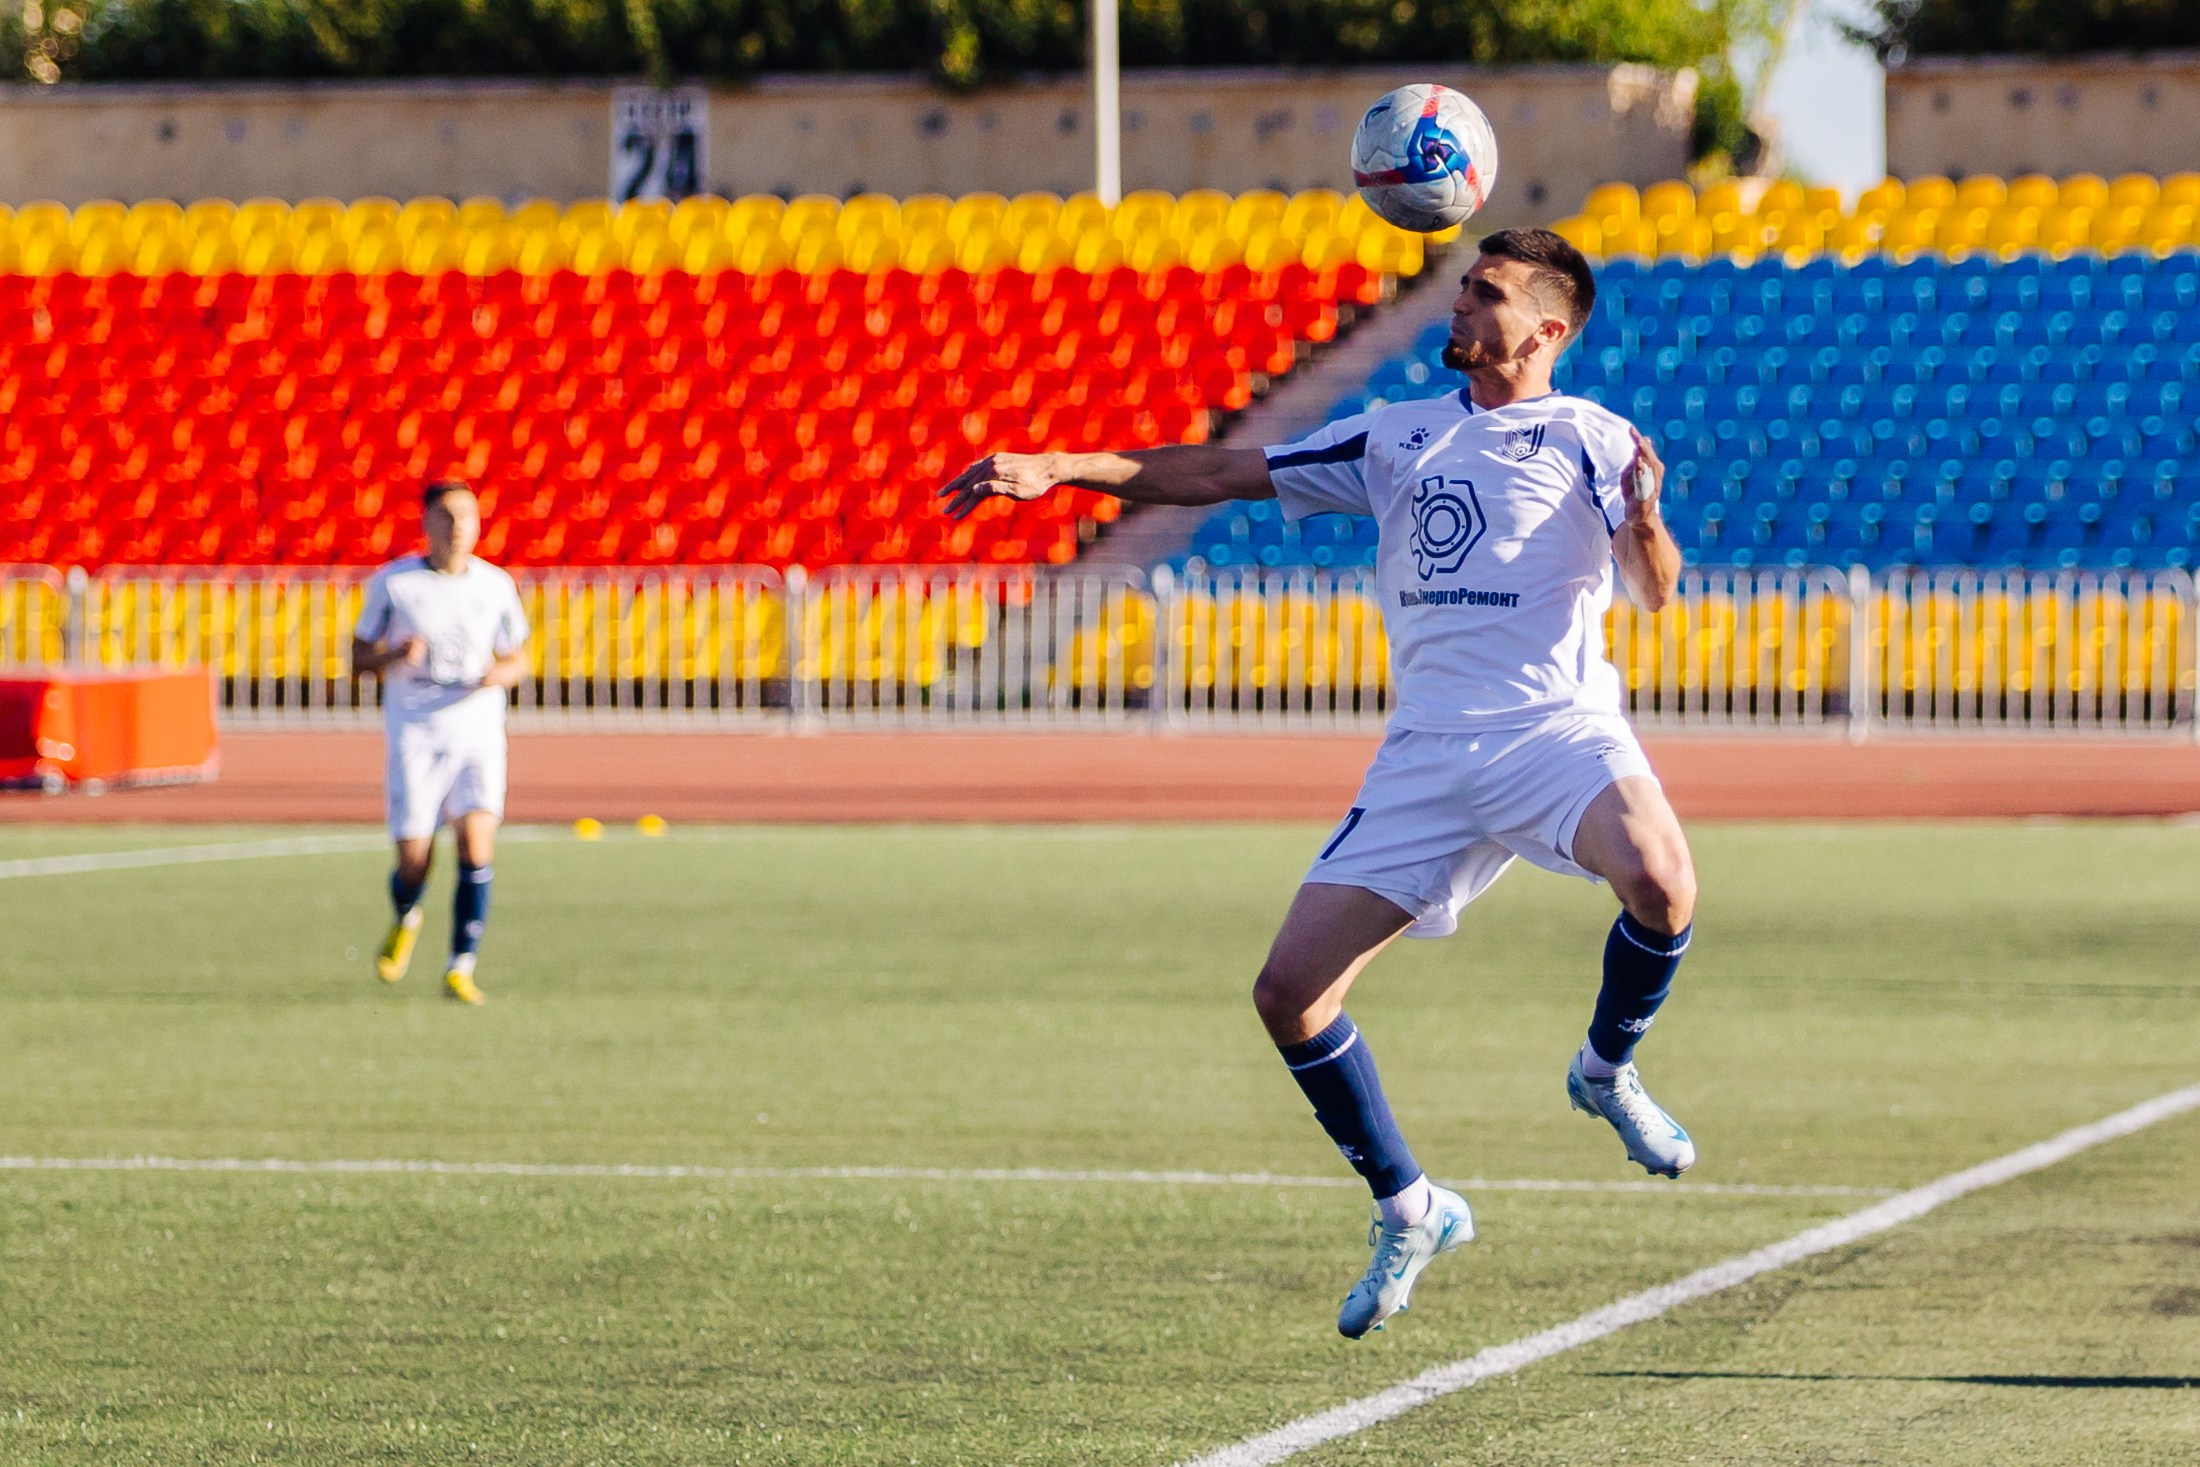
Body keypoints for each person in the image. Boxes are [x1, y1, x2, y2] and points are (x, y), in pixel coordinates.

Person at [937, 228, 1698, 1339]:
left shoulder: (1592, 437)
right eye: (1459, 289)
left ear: (1544, 329)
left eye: (1482, 295)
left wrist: (1642, 517)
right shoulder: (1396, 435)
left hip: (1554, 733)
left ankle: (1603, 1070)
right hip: (1426, 758)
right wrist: (1063, 468)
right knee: (1287, 997)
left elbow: (1656, 591)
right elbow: (1217, 472)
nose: (1458, 307)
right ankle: (1410, 1204)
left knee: (1664, 882)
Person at [350, 480, 530, 1005]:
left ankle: (461, 965)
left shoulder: (496, 585)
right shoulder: (395, 584)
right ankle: (407, 912)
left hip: (477, 732)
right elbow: (356, 658)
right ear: (426, 523)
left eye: (468, 517)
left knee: (476, 846)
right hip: (418, 734)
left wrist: (501, 674)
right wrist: (392, 657)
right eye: (446, 517)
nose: (458, 527)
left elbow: (519, 658)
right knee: (415, 859)